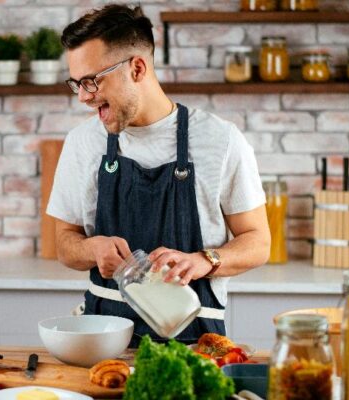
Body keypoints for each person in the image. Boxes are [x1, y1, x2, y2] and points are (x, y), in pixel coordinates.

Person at [46, 3, 270, 347]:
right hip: (104, 342)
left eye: (92, 81)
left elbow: (258, 242)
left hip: (196, 345)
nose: (83, 97)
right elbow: (64, 244)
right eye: (76, 83)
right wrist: (93, 249)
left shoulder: (220, 140)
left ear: (137, 68)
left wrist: (204, 261)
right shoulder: (82, 143)